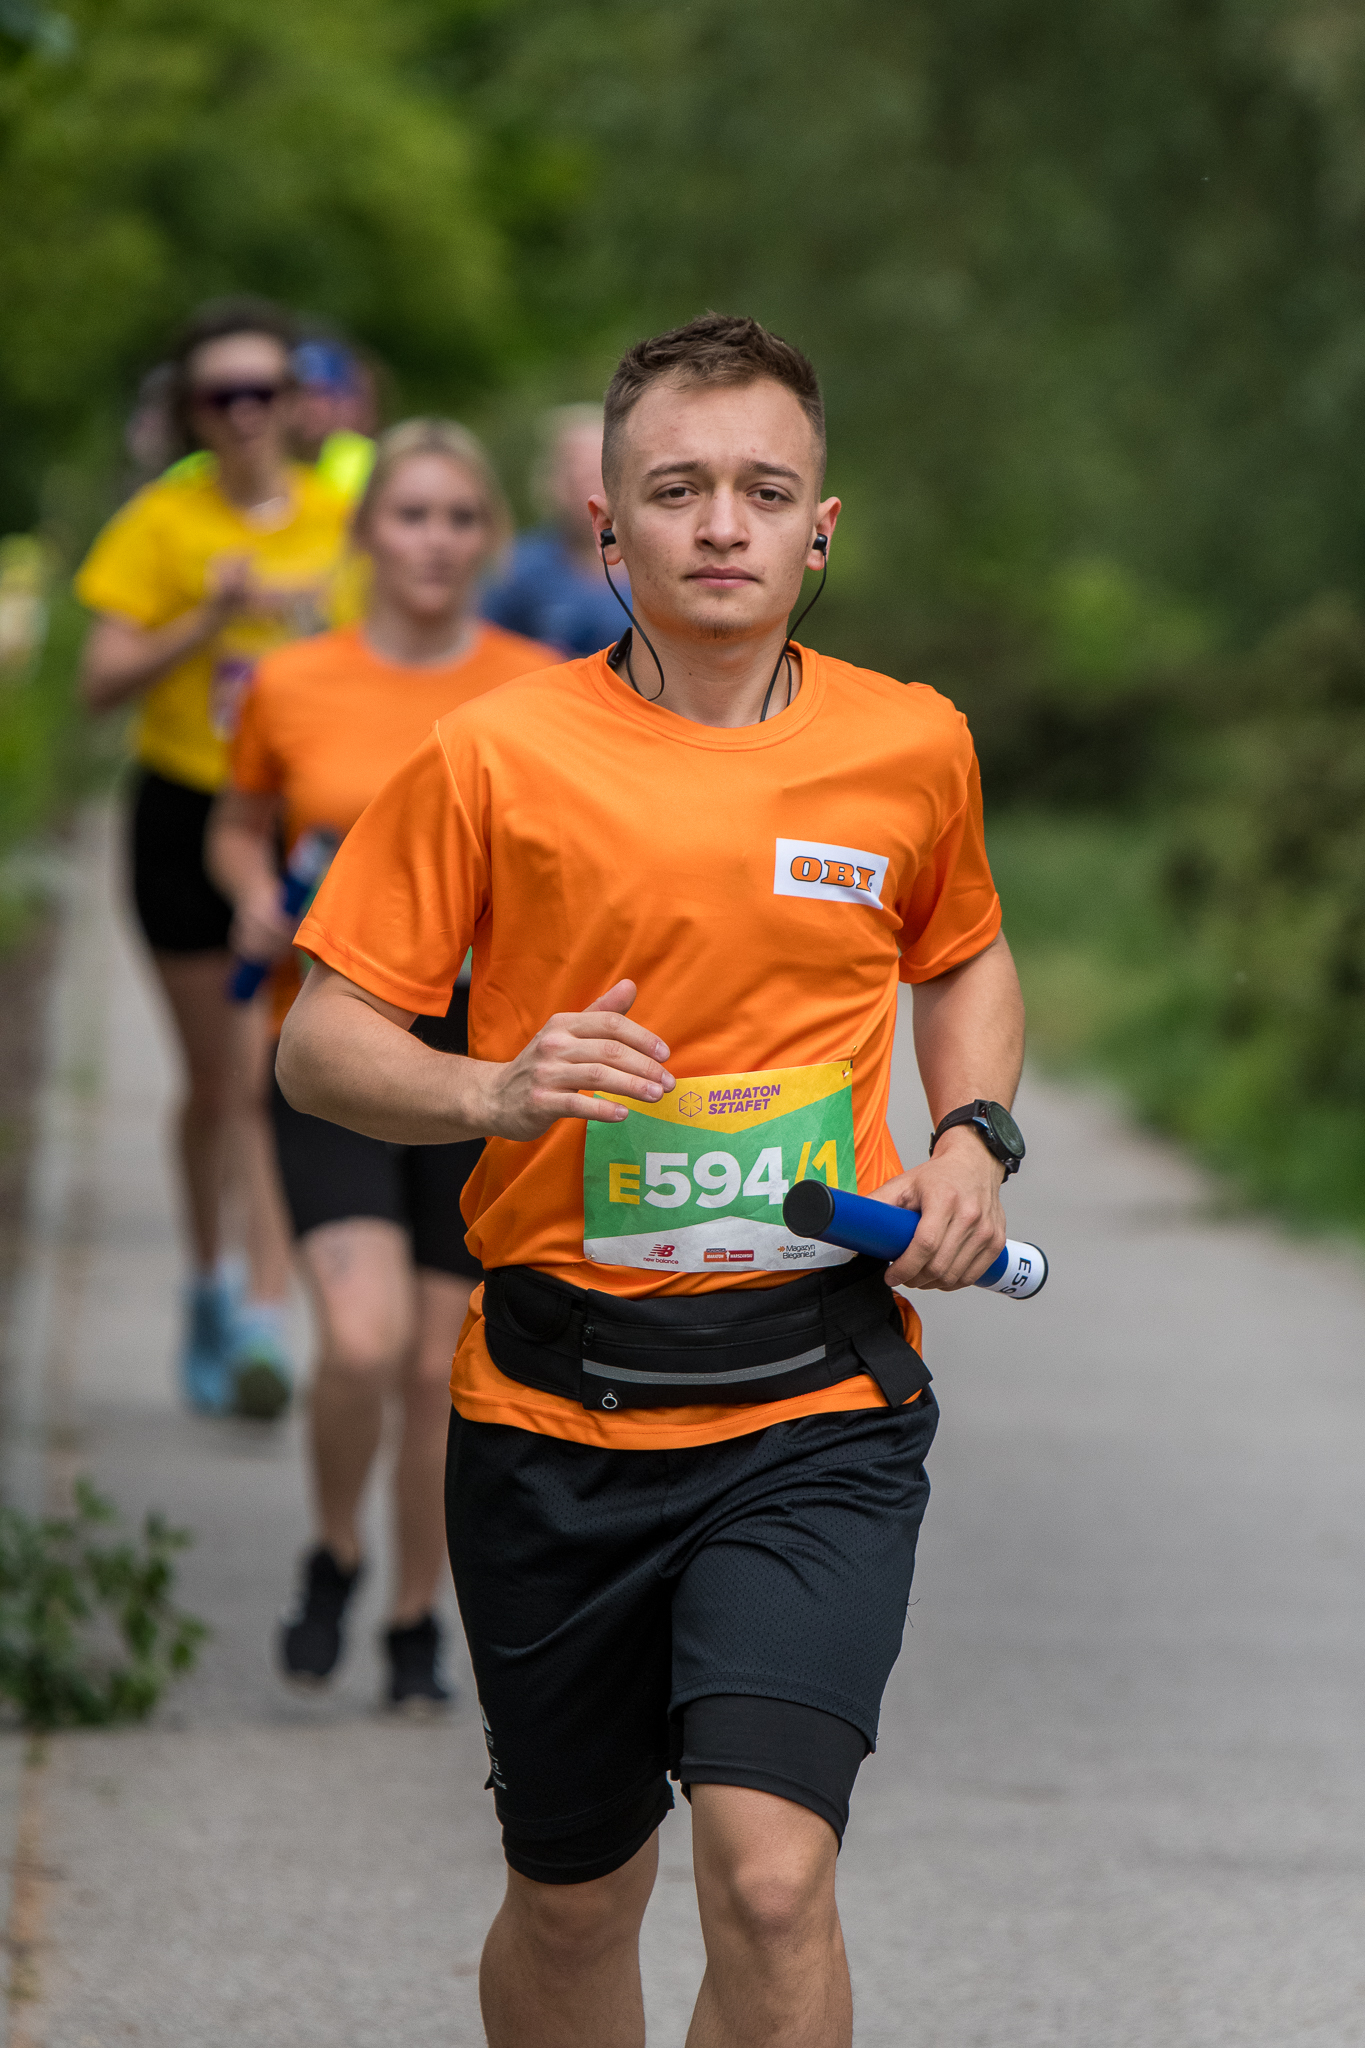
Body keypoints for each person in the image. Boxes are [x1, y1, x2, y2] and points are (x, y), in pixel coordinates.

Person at [277, 313, 1026, 2047]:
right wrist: (492, 1085)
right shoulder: (493, 753)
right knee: (575, 1897)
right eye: (678, 489)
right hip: (556, 1410)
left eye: (763, 489)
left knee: (770, 1879)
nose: (722, 523)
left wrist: (972, 1134)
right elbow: (321, 1043)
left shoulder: (911, 742)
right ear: (607, 528)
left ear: (820, 529)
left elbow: (964, 953)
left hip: (814, 1400)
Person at [208, 421, 556, 1708]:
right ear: (367, 534)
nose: (435, 540)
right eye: (411, 514)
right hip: (337, 1044)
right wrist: (253, 895)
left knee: (433, 1367)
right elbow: (239, 825)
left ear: (490, 538)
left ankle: (415, 1615)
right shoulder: (293, 681)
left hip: (484, 1060)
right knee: (359, 1343)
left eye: (460, 516)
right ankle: (333, 1548)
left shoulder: (541, 686)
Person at [76, 297, 353, 1420]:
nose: (243, 414)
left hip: (308, 823)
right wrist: (209, 614)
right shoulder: (162, 524)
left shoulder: (345, 518)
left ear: (296, 402)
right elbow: (99, 683)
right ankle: (208, 1281)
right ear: (192, 410)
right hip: (185, 813)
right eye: (219, 395)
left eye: (263, 392)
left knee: (267, 1072)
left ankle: (262, 1313)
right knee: (216, 1082)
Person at [480, 403, 628, 655]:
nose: (589, 488)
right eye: (577, 474)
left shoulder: (656, 558)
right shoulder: (516, 568)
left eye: (599, 472)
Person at [289, 336, 379, 504]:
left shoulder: (370, 463)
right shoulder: (253, 459)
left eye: (321, 393)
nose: (310, 405)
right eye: (301, 392)